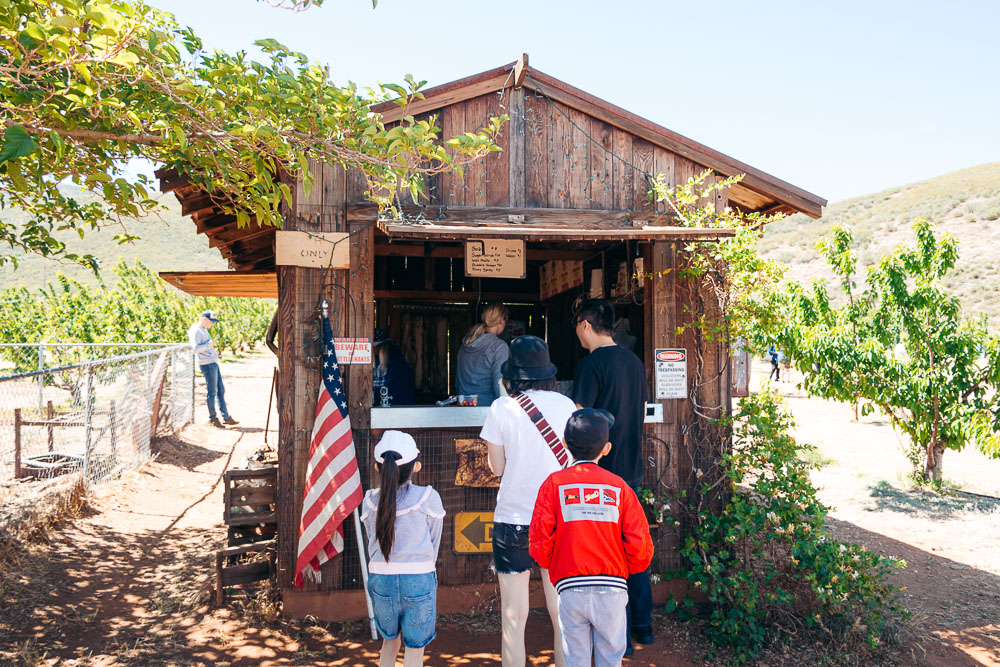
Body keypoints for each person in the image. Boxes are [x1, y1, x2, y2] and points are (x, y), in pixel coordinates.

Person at [529, 409, 654, 667]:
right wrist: (628, 569)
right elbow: (640, 544)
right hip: (613, 588)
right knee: (611, 658)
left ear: (565, 444)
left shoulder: (553, 484)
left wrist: (555, 564)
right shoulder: (620, 487)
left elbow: (539, 542)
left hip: (570, 586)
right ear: (606, 448)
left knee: (576, 659)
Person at [480, 335, 573, 667]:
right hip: (561, 518)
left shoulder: (501, 407)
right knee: (563, 613)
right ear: (547, 371)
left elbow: (497, 468)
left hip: (514, 519)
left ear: (512, 374)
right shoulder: (567, 406)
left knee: (513, 616)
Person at [570, 299, 652, 653]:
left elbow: (579, 419)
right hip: (631, 469)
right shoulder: (634, 362)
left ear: (586, 325)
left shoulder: (591, 366)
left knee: (607, 555)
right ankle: (643, 626)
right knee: (633, 548)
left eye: (577, 326)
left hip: (600, 473)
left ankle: (621, 641)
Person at [360, 431, 445, 667]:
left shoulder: (369, 500)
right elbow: (434, 540)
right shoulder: (429, 497)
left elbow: (372, 544)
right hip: (419, 578)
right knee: (415, 649)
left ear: (378, 468)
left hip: (381, 580)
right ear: (414, 467)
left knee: (389, 644)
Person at [187, 310, 237, 428]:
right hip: (207, 364)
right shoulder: (196, 330)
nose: (213, 324)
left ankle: (226, 417)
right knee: (212, 392)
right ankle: (213, 418)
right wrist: (210, 343)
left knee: (220, 390)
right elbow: (195, 349)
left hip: (212, 363)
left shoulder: (203, 330)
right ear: (204, 319)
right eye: (212, 321)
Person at [456, 303, 510, 405]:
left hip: (463, 406)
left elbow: (458, 381)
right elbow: (500, 385)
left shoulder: (466, 343)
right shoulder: (499, 346)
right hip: (487, 410)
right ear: (502, 320)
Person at [372, 328, 415, 406]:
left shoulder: (397, 362)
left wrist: (374, 395)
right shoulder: (374, 360)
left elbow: (396, 389)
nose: (373, 350)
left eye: (375, 347)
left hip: (397, 406)